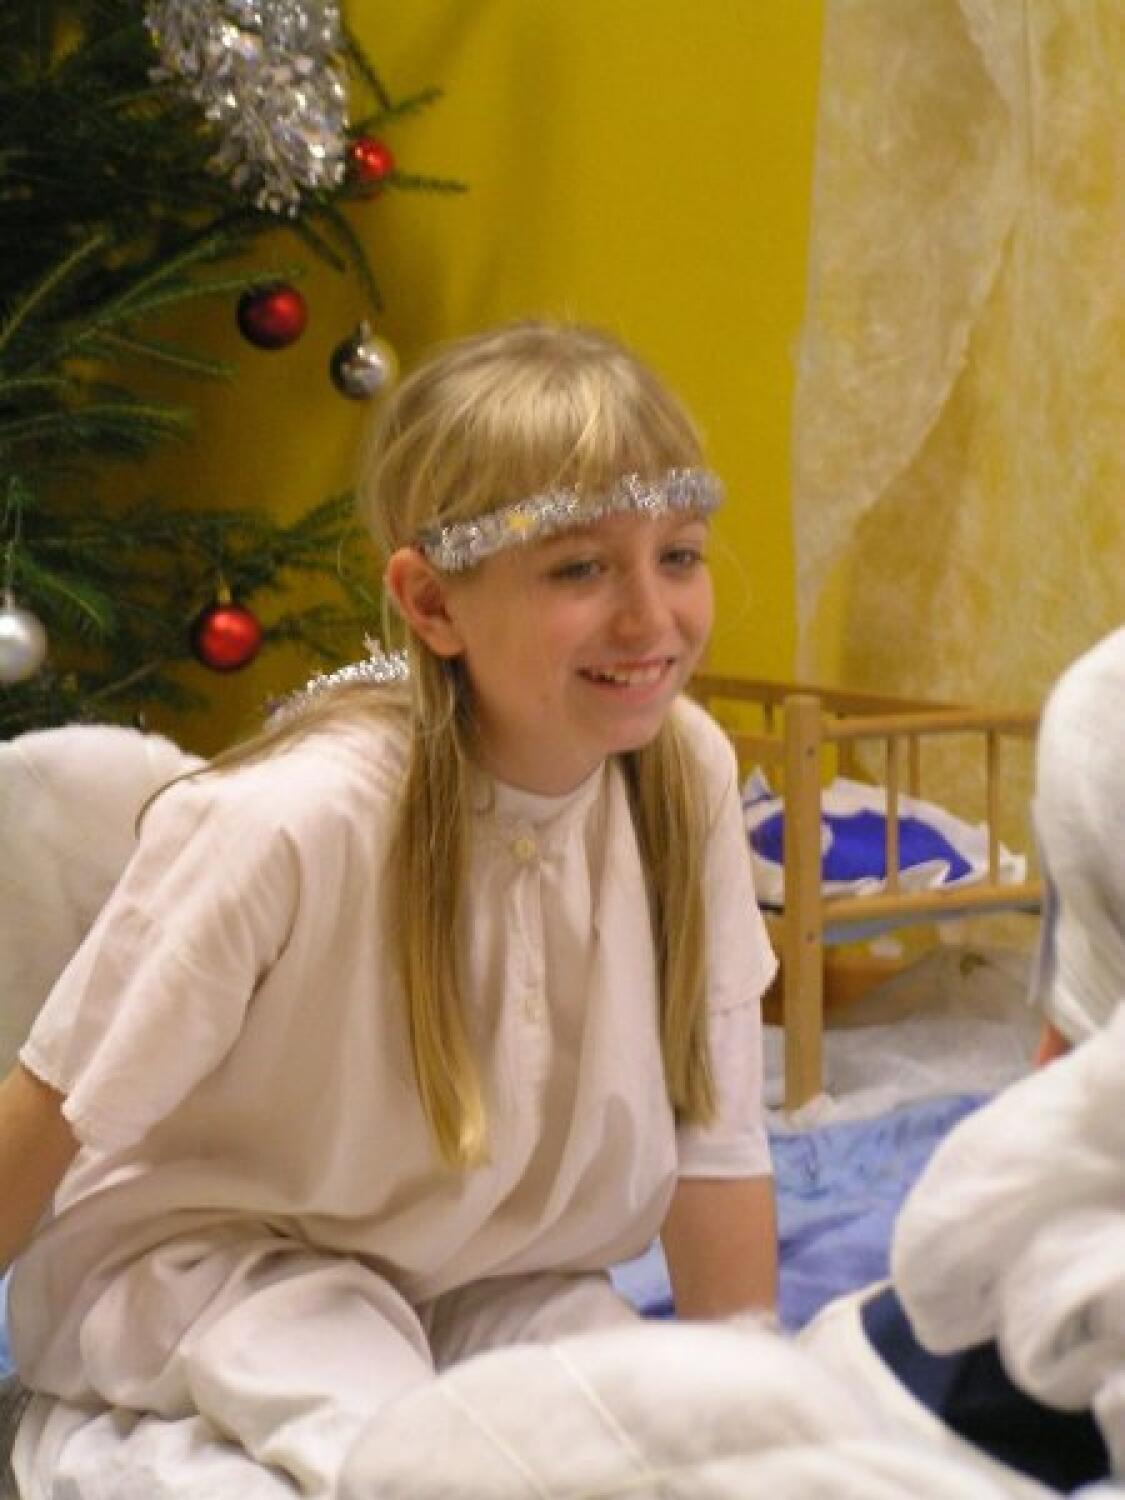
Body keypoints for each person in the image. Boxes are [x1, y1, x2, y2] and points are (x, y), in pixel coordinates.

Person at [0, 321, 778, 1498]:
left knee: (653, 1458)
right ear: (430, 602)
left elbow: (716, 1136)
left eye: (678, 555)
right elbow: (54, 1102)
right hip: (230, 1266)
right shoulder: (291, 821)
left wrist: (757, 1433)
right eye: (579, 569)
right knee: (400, 1469)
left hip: (494, 1270)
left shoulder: (685, 773)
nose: (649, 617)